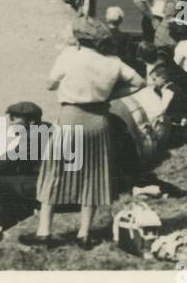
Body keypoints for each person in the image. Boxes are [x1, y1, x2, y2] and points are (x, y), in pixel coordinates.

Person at [22, 15, 145, 250]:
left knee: (54, 174)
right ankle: (84, 234)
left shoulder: (69, 55)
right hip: (99, 121)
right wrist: (108, 95)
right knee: (94, 176)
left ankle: (44, 232)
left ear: (78, 39)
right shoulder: (113, 61)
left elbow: (49, 84)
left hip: (70, 118)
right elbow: (140, 82)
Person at [0, 101, 52, 246]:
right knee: (11, 177)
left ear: (32, 120)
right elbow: (14, 155)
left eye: (15, 119)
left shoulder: (34, 136)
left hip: (46, 185)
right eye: (11, 118)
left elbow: (13, 158)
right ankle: (18, 222)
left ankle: (4, 226)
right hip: (48, 180)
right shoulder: (44, 128)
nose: (11, 123)